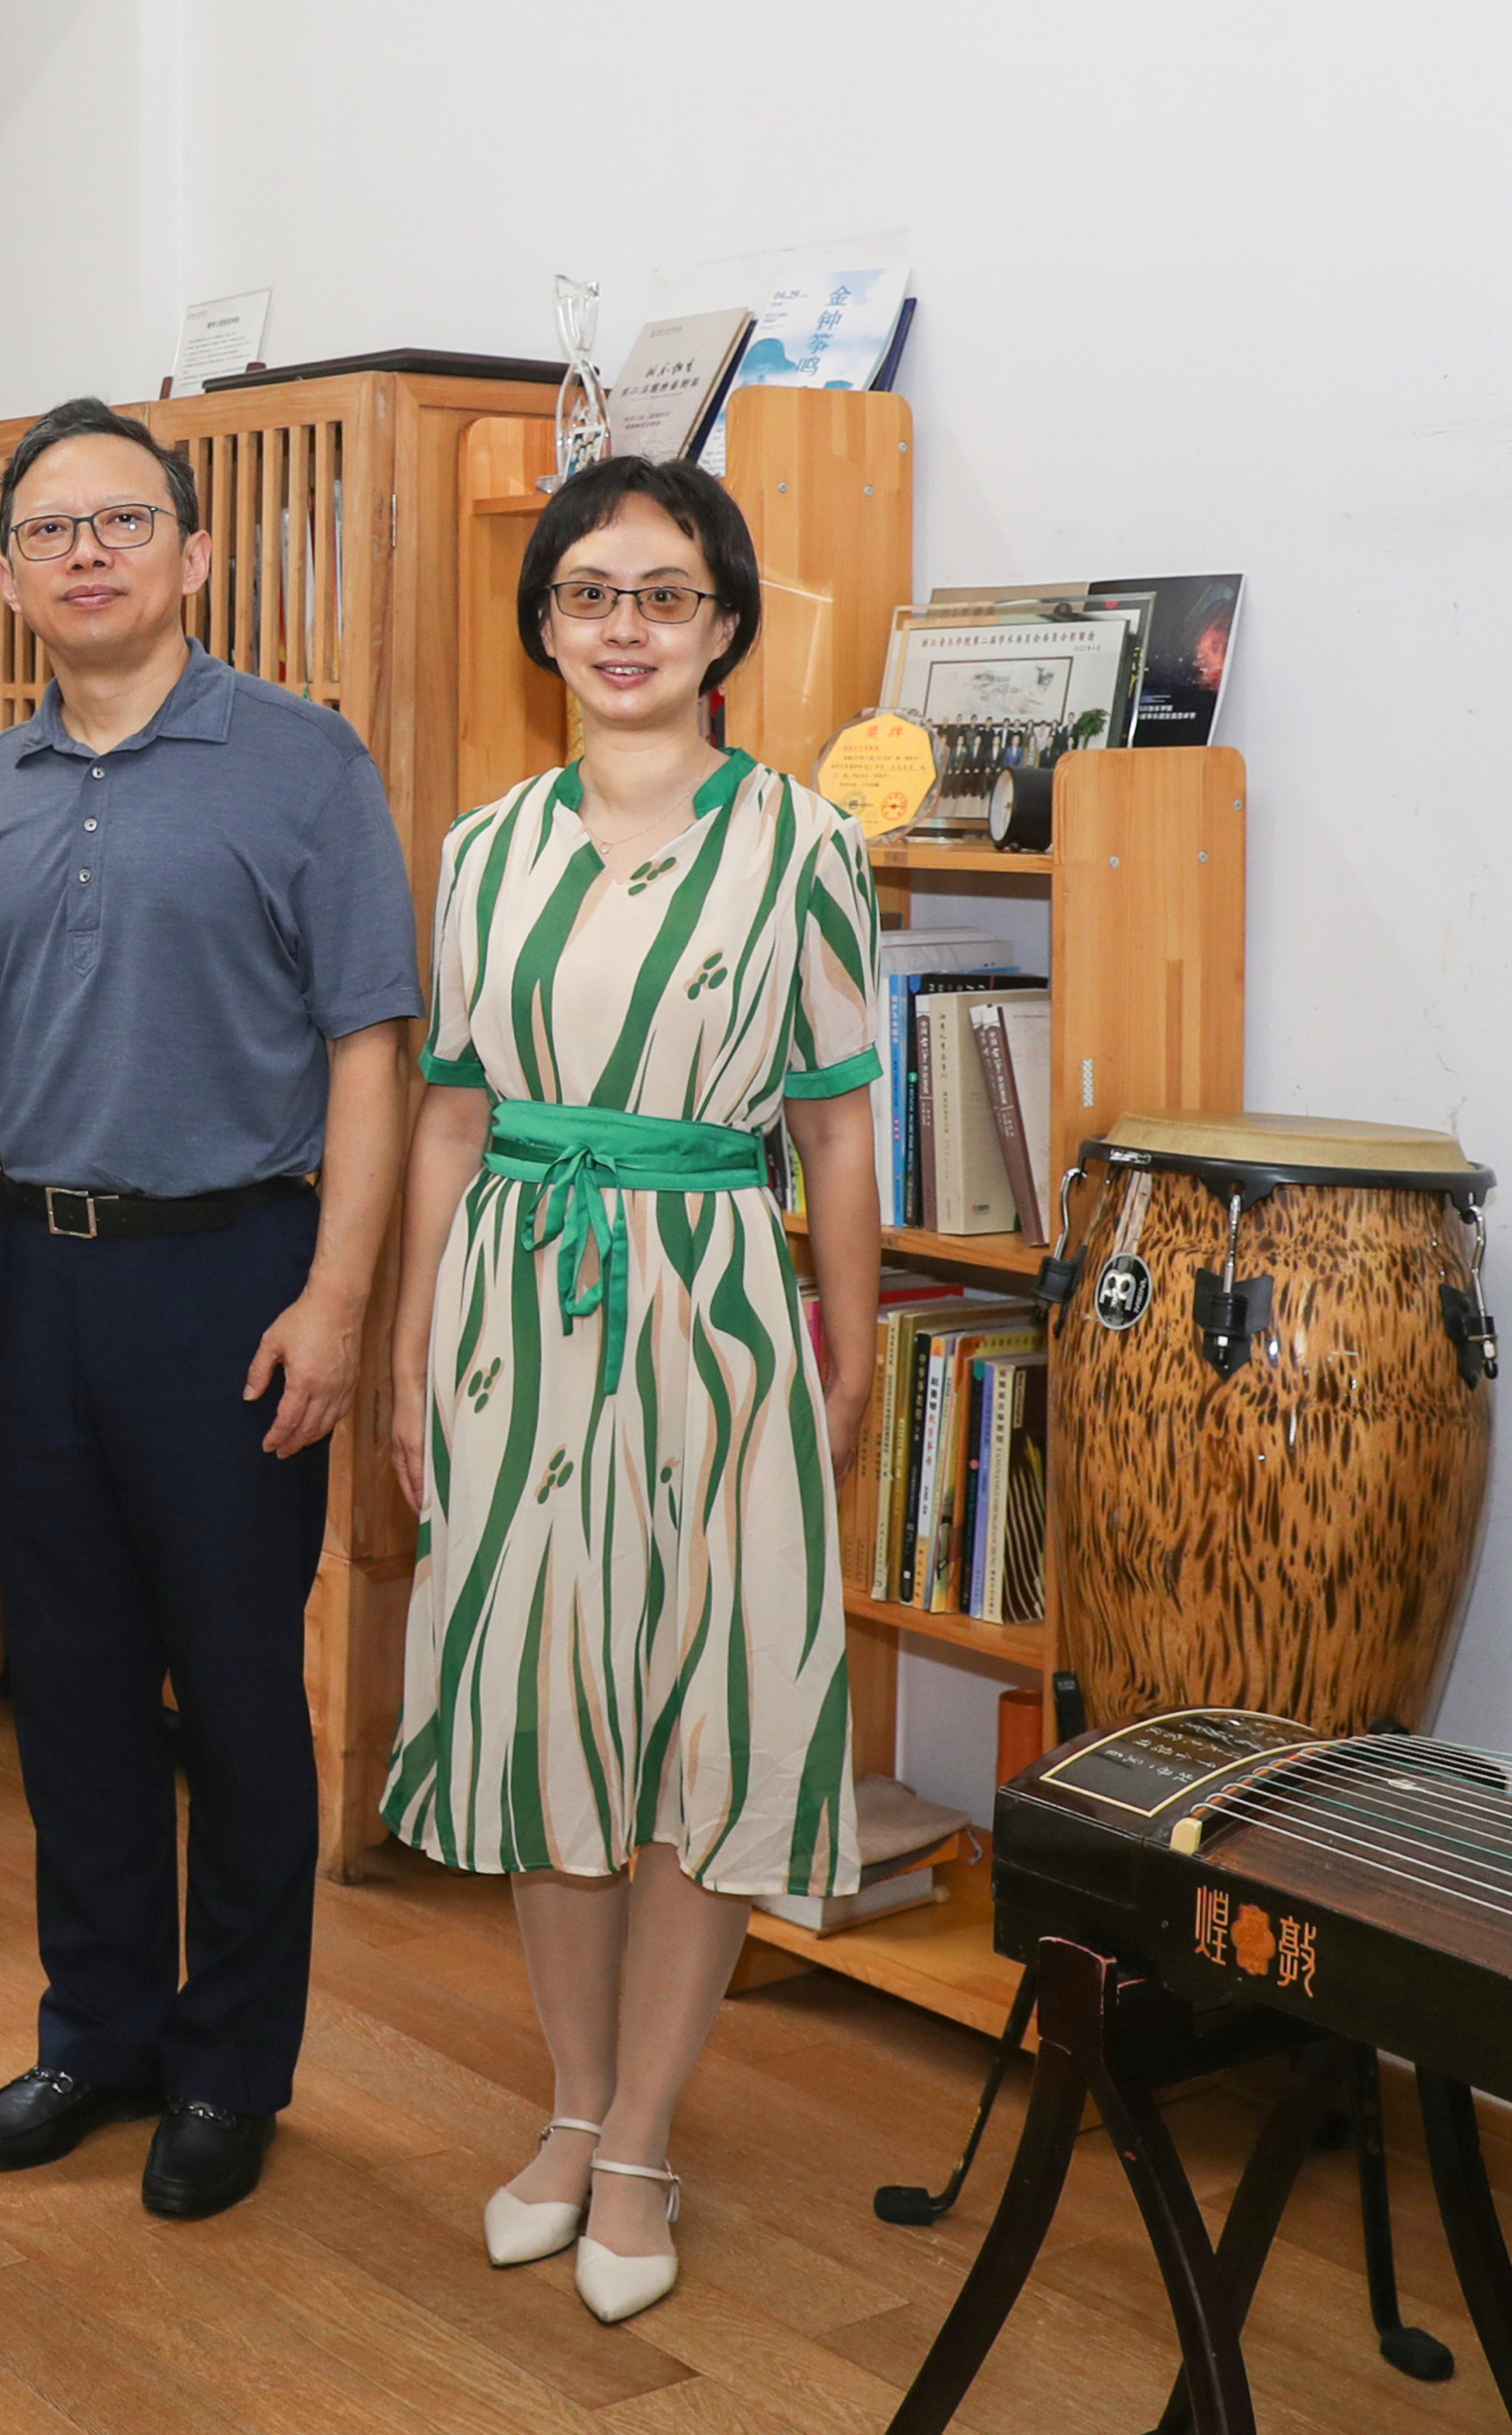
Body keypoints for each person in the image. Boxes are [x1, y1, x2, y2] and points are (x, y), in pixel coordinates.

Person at [381, 452, 882, 2325]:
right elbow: (450, 1114)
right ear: (545, 622)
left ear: (723, 627)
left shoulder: (808, 844)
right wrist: (414, 1341)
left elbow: (838, 1130)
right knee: (545, 1706)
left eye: (665, 595)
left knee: (707, 1707)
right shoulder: (483, 847)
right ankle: (575, 2106)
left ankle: (647, 2136)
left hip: (717, 1307)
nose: (624, 626)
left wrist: (847, 1348)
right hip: (517, 1304)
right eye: (589, 592)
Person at [0, 396, 418, 2222]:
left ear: (195, 554)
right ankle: (98, 2034)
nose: (89, 554)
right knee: (71, 1689)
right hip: (33, 1278)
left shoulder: (304, 761)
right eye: (50, 531)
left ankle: (228, 2067)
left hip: (233, 1280)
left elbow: (373, 1047)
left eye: (123, 521)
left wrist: (338, 1297)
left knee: (238, 1694)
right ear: (10, 577)